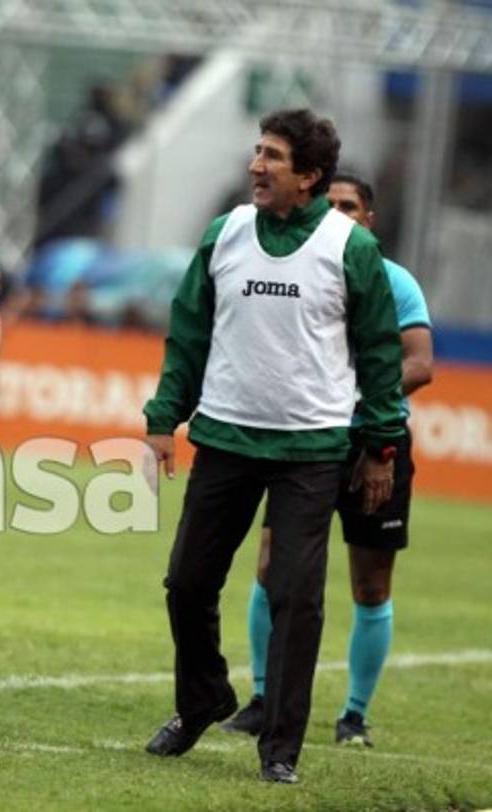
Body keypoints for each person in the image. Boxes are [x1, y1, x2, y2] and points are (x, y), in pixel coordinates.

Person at [141, 109, 404, 784]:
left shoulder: (351, 247)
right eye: (257, 152)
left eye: (274, 157)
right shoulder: (225, 233)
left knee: (296, 596)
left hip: (311, 452)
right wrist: (163, 416)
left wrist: (379, 447)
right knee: (187, 582)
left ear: (310, 176)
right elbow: (188, 332)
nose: (257, 165)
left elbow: (380, 354)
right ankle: (202, 701)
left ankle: (280, 748)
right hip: (224, 439)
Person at [224, 172, 433, 747]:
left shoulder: (395, 282)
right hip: (304, 442)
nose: (339, 212)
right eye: (331, 203)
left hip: (374, 442)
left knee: (370, 585)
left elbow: (419, 362)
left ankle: (354, 716)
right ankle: (263, 699)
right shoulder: (297, 269)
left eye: (351, 206)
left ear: (370, 219)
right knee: (271, 567)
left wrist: (359, 403)